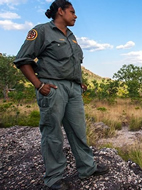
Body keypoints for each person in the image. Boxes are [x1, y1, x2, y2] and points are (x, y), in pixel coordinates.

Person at [14, 0, 109, 189]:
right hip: (52, 88)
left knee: (79, 130)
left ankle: (87, 168)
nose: (75, 16)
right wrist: (39, 85)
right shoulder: (41, 31)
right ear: (60, 11)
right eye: (72, 12)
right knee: (52, 133)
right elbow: (22, 60)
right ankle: (55, 178)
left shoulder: (72, 36)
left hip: (73, 89)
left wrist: (78, 81)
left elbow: (72, 62)